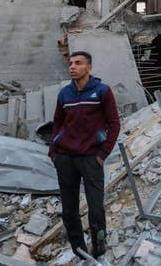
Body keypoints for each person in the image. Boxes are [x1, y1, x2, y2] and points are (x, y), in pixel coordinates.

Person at [49, 52, 120, 260]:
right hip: (65, 159)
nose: (72, 66)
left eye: (78, 63)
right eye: (71, 63)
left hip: (91, 158)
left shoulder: (102, 92)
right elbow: (57, 123)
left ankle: (99, 250)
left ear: (88, 67)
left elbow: (114, 124)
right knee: (69, 212)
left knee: (96, 210)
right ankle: (79, 252)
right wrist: (53, 151)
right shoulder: (64, 94)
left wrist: (103, 153)